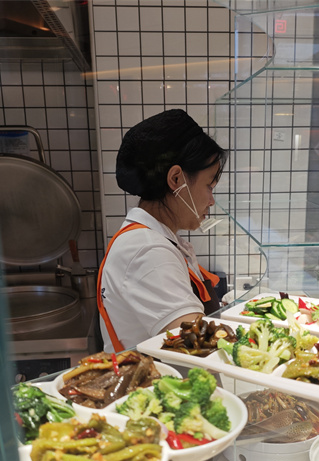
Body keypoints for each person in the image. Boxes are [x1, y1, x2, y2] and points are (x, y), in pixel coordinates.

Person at [97, 109, 227, 353]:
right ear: (176, 179)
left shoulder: (154, 238)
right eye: (209, 186)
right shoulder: (148, 251)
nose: (211, 200)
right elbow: (198, 348)